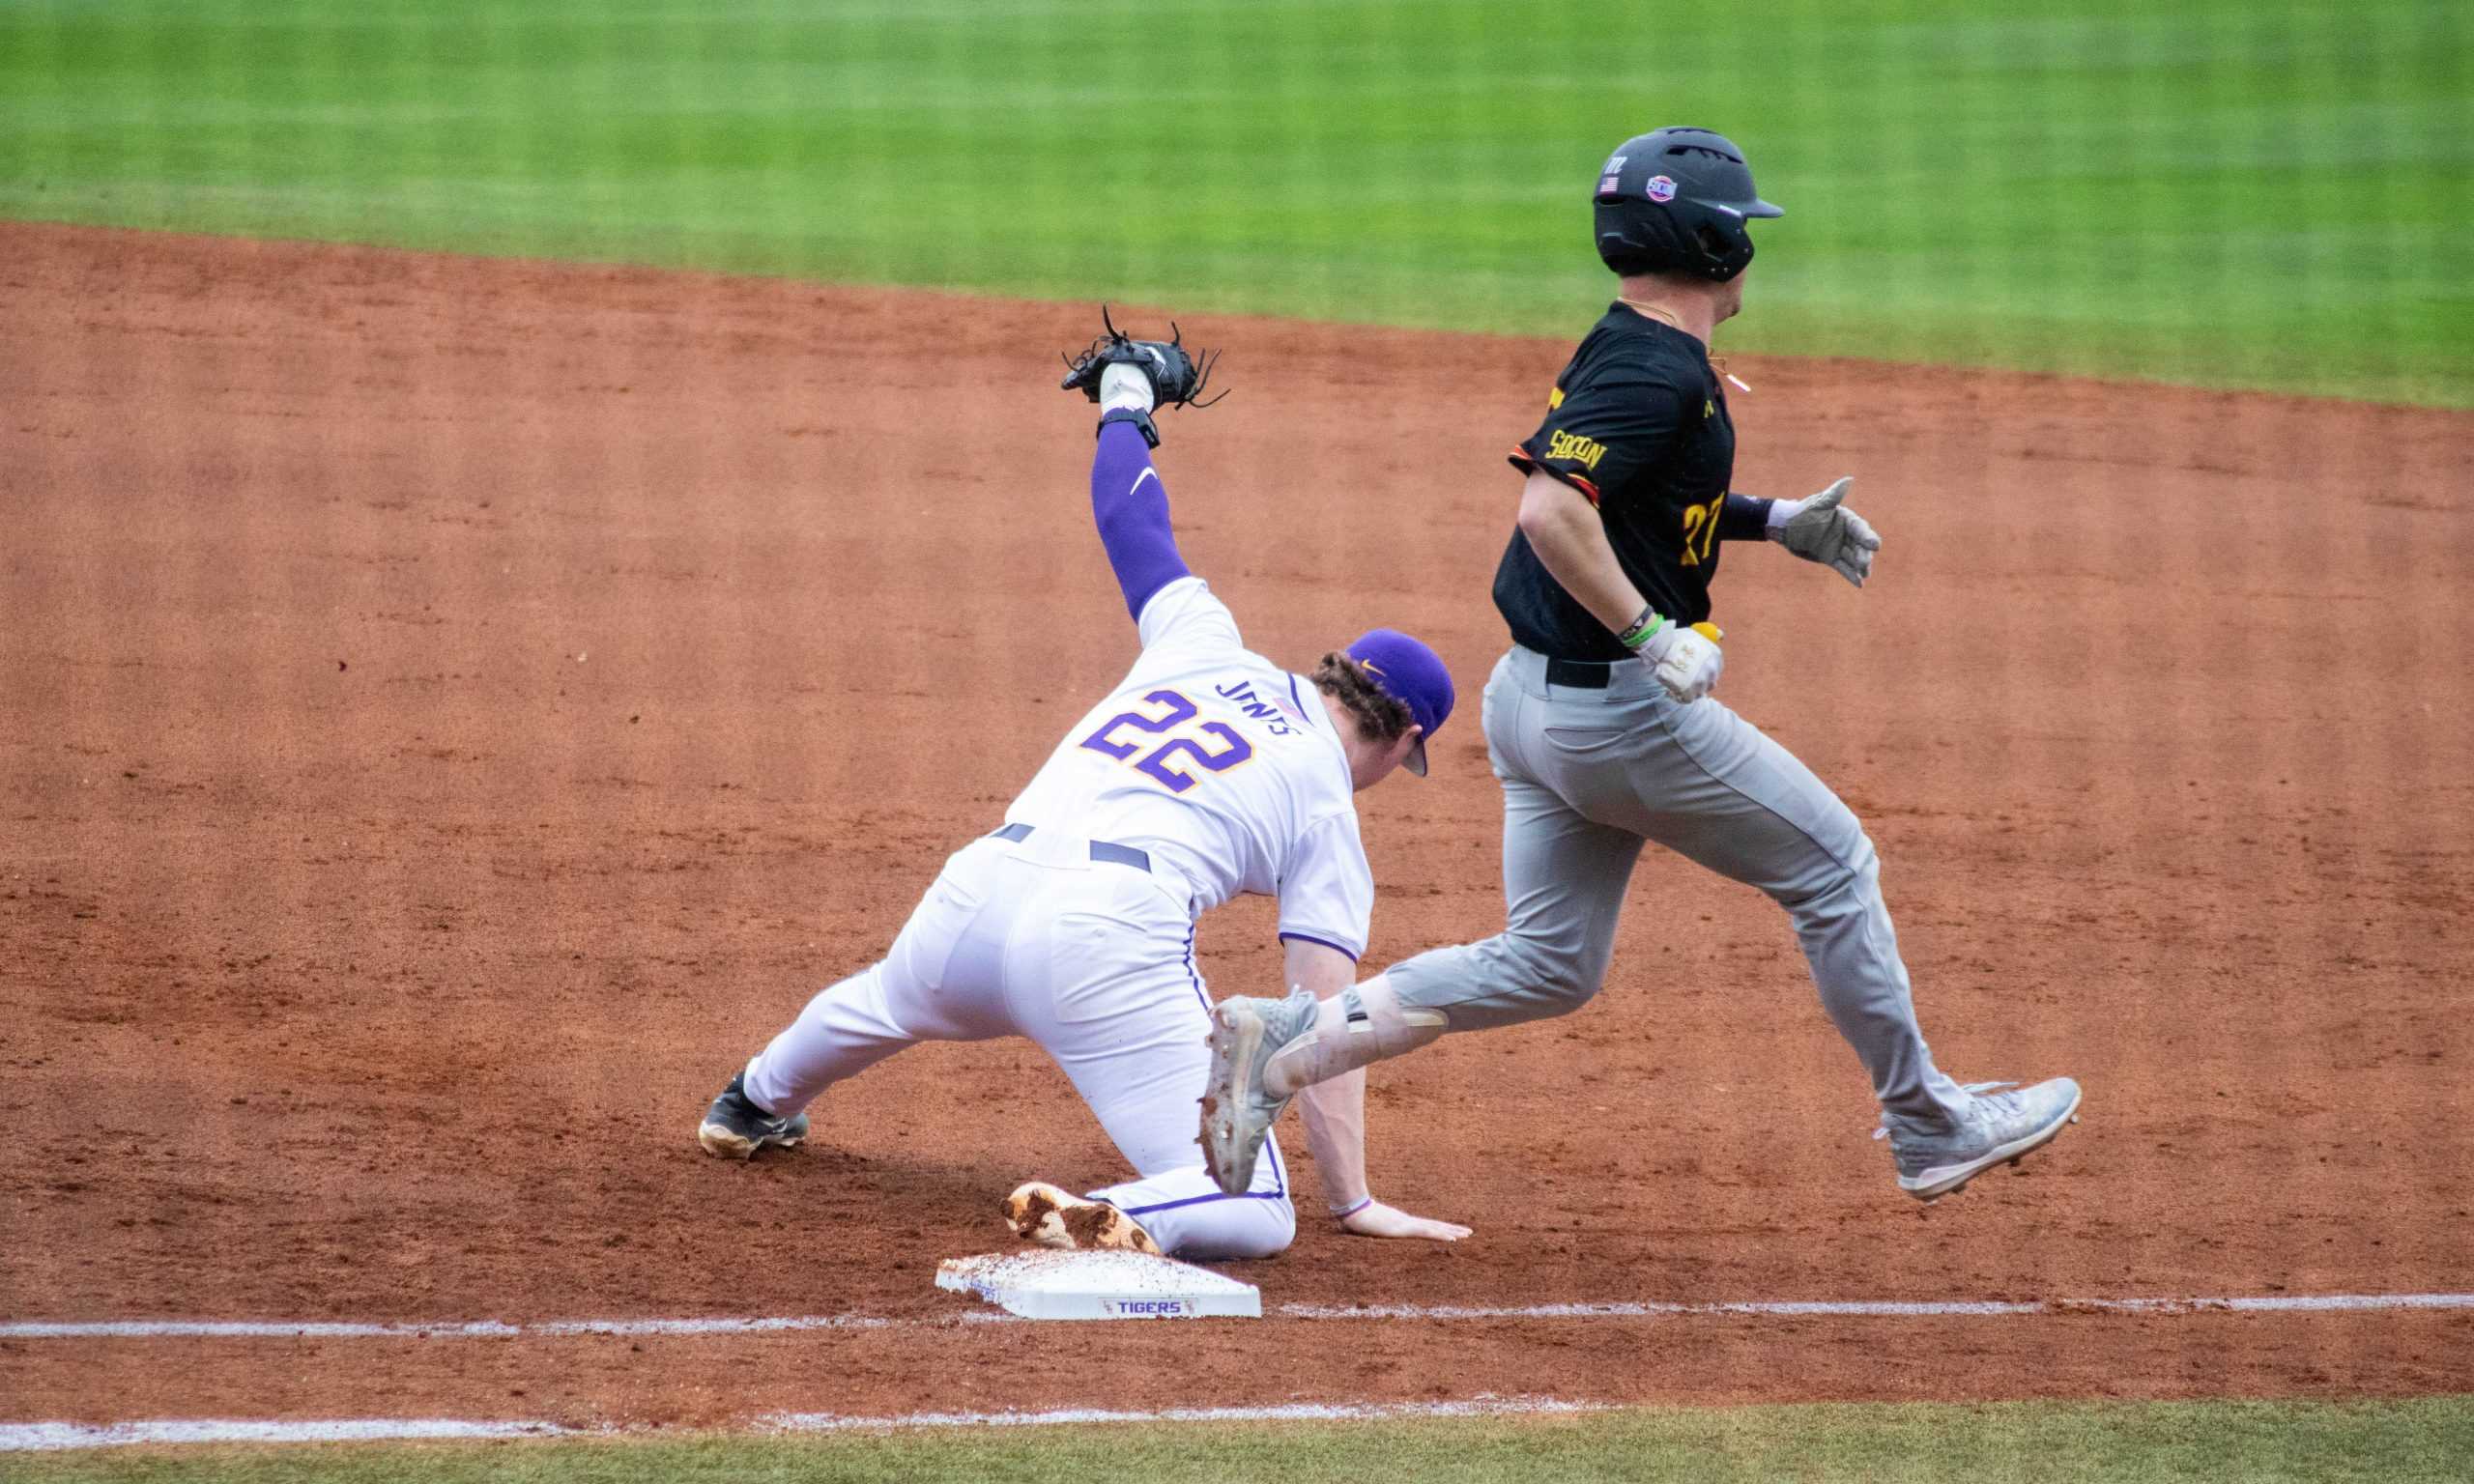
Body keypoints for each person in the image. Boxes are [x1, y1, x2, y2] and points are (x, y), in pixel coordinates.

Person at [1202, 128, 2080, 1205]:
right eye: (1743, 231)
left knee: (1549, 965)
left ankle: (1287, 1040)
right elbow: (1550, 508)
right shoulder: (1653, 366)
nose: (1751, 252)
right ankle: (1927, 1122)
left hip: (1528, 705)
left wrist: (1770, 520)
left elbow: (1633, 497)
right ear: (1710, 242)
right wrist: (1647, 631)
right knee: (1835, 870)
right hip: (1620, 718)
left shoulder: (1632, 342)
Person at [696, 314, 1470, 1260]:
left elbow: (1128, 518)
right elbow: (1321, 1022)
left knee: (886, 1001)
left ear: (1330, 675)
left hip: (976, 895)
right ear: (1403, 740)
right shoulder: (1325, 808)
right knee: (1259, 1213)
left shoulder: (1203, 642)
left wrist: (1126, 402)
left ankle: (751, 1102)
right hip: (1105, 943)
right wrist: (1350, 1200)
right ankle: (1104, 1212)